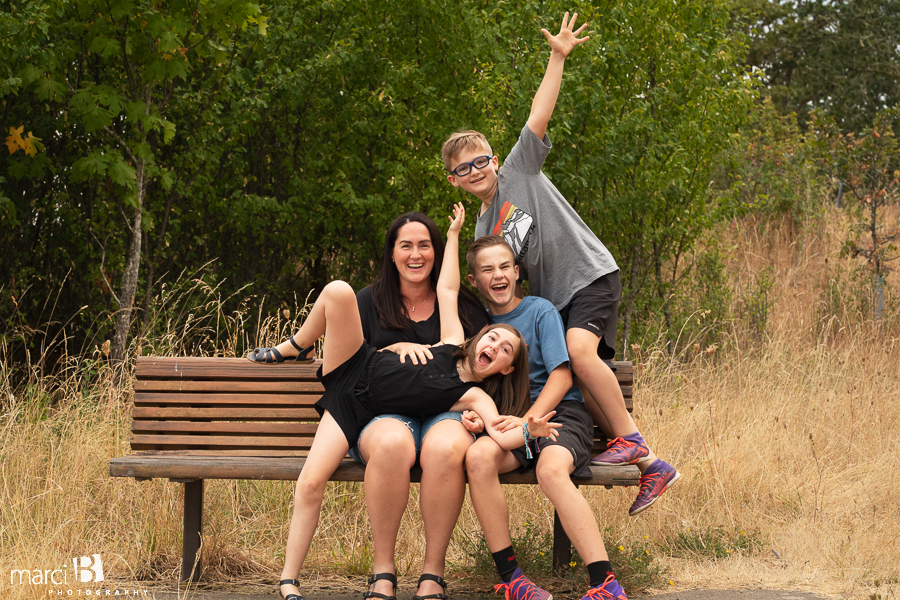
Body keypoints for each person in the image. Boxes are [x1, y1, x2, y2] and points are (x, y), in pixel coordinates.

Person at [250, 205, 560, 600]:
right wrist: (452, 236)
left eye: (503, 351)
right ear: (476, 336)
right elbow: (446, 288)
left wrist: (529, 430)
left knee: (316, 479)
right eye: (492, 338)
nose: (494, 346)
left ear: (504, 369)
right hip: (352, 374)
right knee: (339, 290)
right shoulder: (450, 340)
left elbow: (500, 429)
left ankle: (426, 576)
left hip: (361, 409)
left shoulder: (474, 395)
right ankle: (288, 580)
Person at [440, 12, 679, 517]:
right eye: (464, 168)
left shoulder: (519, 170)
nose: (477, 170)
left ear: (492, 159)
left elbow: (538, 113)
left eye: (481, 159)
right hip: (556, 299)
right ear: (455, 180)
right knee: (579, 368)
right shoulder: (483, 235)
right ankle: (652, 464)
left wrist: (557, 56)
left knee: (576, 349)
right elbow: (489, 290)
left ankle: (632, 440)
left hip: (589, 272)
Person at [464, 235, 628, 600]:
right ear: (474, 280)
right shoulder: (479, 323)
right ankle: (513, 580)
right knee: (477, 457)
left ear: (517, 271)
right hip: (510, 422)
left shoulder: (540, 311)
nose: (499, 275)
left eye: (505, 266)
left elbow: (562, 375)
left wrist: (528, 422)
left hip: (558, 416)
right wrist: (479, 418)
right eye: (488, 269)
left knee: (550, 470)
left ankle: (605, 584)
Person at [352, 212, 489, 600]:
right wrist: (391, 349)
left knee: (446, 447)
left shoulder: (457, 304)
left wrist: (482, 410)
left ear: (436, 251)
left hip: (448, 409)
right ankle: (383, 573)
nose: (416, 254)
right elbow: (348, 364)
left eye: (424, 245)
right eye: (406, 245)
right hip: (382, 413)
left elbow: (483, 360)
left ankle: (433, 573)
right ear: (392, 254)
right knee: (392, 442)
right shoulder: (369, 301)